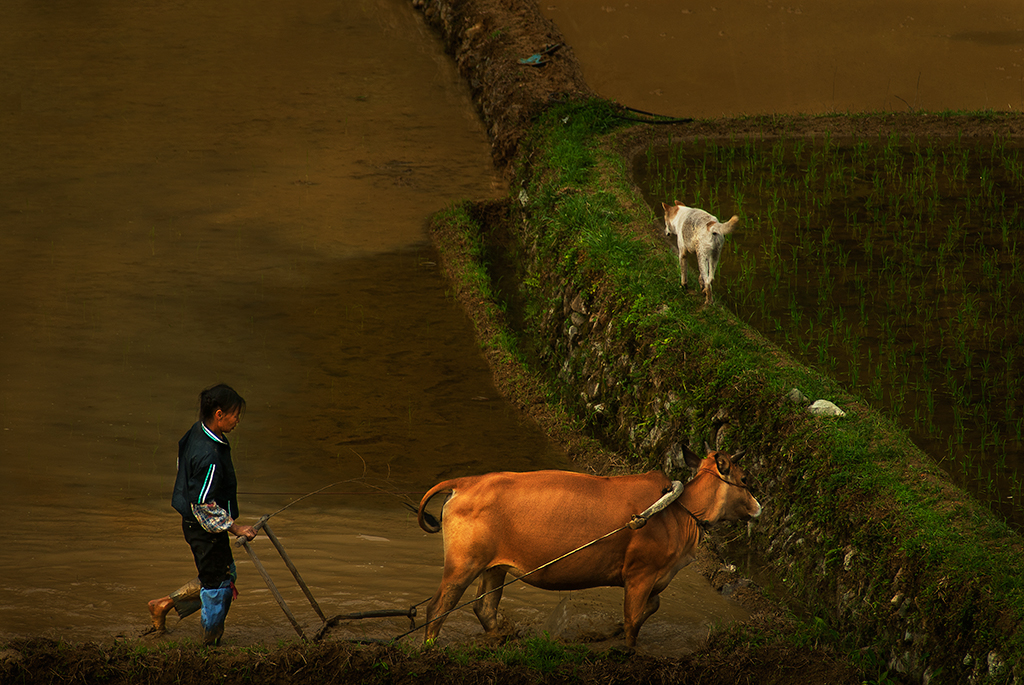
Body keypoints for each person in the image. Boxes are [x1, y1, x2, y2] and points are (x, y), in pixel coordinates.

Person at [147, 384, 258, 645]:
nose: (237, 420)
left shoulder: (196, 432)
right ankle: (210, 644)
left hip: (195, 522)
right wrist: (236, 528)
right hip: (203, 528)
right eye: (234, 415)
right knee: (219, 585)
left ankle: (163, 605)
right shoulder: (209, 455)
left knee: (224, 573)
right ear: (219, 415)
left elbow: (187, 474)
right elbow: (203, 504)